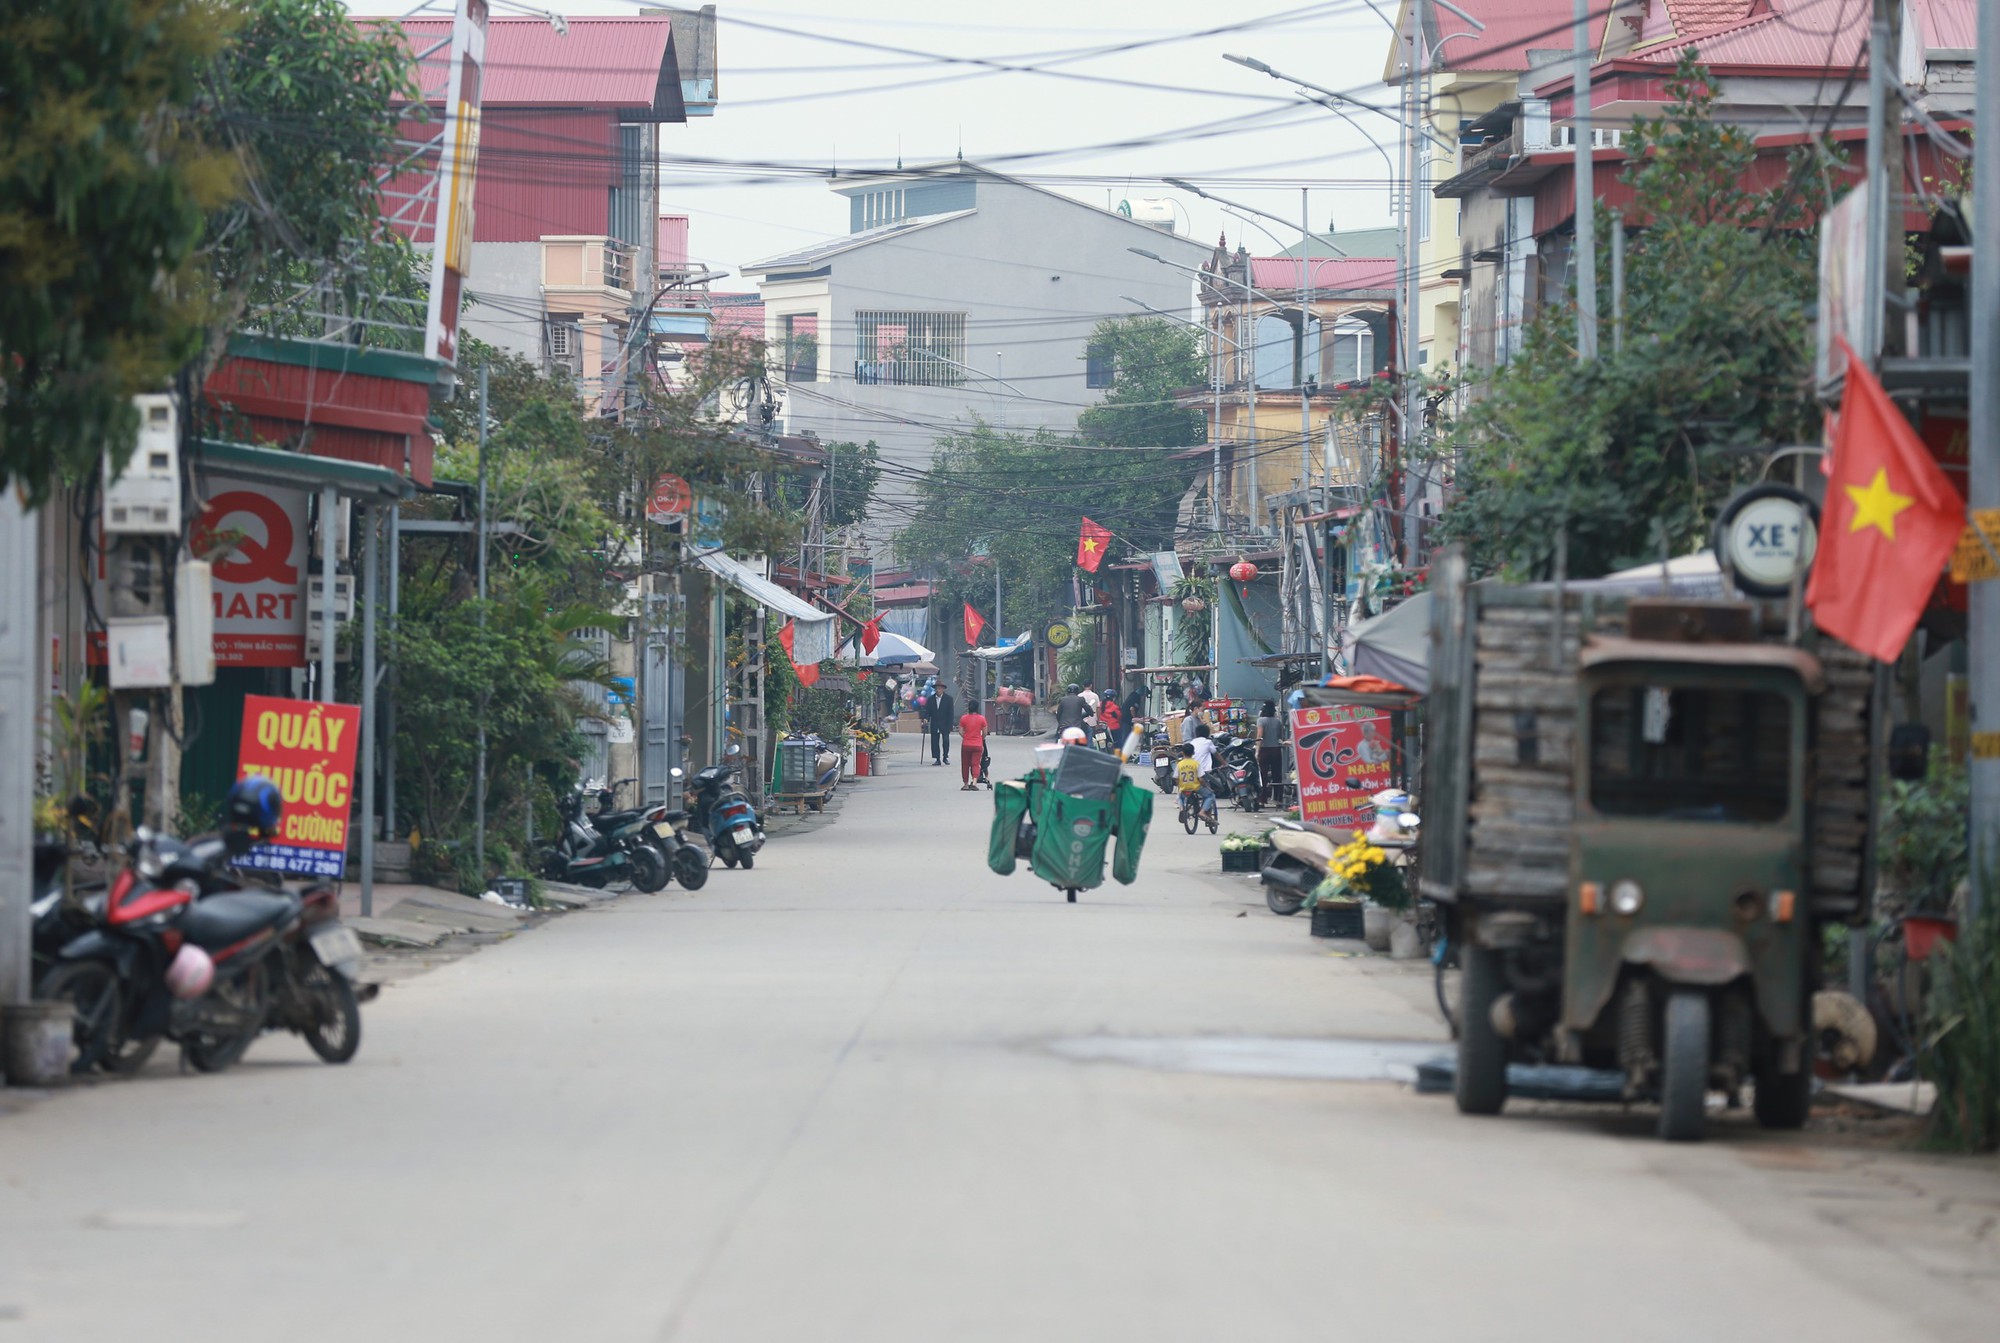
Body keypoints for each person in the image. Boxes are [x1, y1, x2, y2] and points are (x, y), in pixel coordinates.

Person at [1172, 742, 1215, 822]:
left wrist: (1180, 787)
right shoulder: (1196, 764)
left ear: (1182, 753)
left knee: (1180, 797)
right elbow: (1201, 779)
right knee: (1210, 795)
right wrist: (1206, 787)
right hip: (1196, 787)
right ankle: (1202, 812)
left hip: (1184, 787)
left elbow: (1176, 778)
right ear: (1193, 753)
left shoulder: (1179, 764)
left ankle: (1181, 809)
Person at [1256, 700, 1284, 806]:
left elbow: (1260, 736)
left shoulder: (1261, 721)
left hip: (1264, 750)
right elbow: (1280, 736)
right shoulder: (1278, 721)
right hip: (1276, 750)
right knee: (1277, 775)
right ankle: (1278, 799)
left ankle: (1263, 799)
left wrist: (1257, 751)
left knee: (1263, 775)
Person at [957, 702, 989, 790]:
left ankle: (966, 784)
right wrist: (980, 739)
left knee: (965, 764)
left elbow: (960, 732)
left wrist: (967, 737)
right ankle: (974, 782)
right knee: (976, 764)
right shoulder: (982, 719)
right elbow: (985, 732)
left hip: (966, 744)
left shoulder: (963, 718)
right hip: (978, 745)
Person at [929, 687, 956, 766]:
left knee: (946, 741)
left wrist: (950, 725)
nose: (938, 690)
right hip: (935, 723)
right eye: (937, 689)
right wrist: (926, 718)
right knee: (934, 741)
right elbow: (927, 711)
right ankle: (937, 758)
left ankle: (945, 757)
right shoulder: (931, 699)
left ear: (943, 689)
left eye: (940, 689)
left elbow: (951, 713)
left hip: (945, 723)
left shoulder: (948, 699)